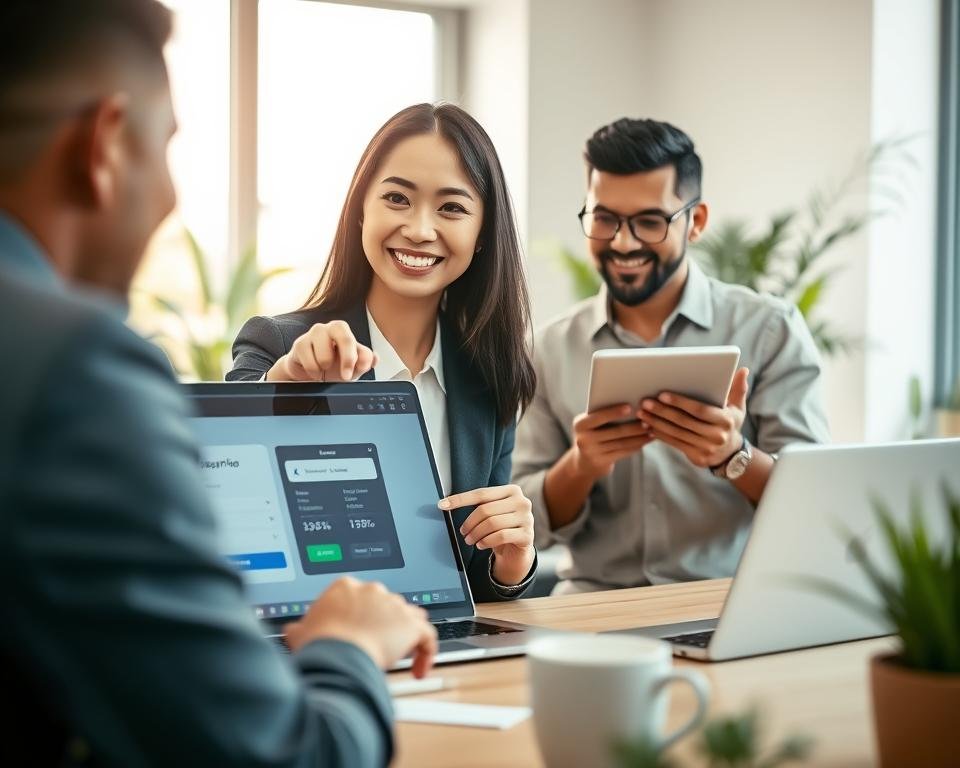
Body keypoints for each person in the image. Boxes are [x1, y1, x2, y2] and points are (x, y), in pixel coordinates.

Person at [0, 1, 437, 765]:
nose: (169, 197)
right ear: (102, 145)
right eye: (164, 149)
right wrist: (345, 645)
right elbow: (283, 755)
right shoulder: (71, 367)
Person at [229, 103, 539, 601]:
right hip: (308, 641)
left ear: (482, 235)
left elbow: (472, 580)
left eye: (452, 208)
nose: (419, 229)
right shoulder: (280, 342)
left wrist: (513, 560)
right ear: (360, 210)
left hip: (439, 649)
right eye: (397, 198)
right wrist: (285, 381)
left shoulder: (488, 377)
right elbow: (224, 466)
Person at [513, 118, 830, 595]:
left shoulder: (769, 330)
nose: (623, 242)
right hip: (592, 608)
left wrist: (733, 456)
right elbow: (522, 525)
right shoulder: (547, 350)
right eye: (604, 219)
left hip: (726, 605)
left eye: (649, 221)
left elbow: (815, 506)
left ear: (696, 222)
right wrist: (582, 465)